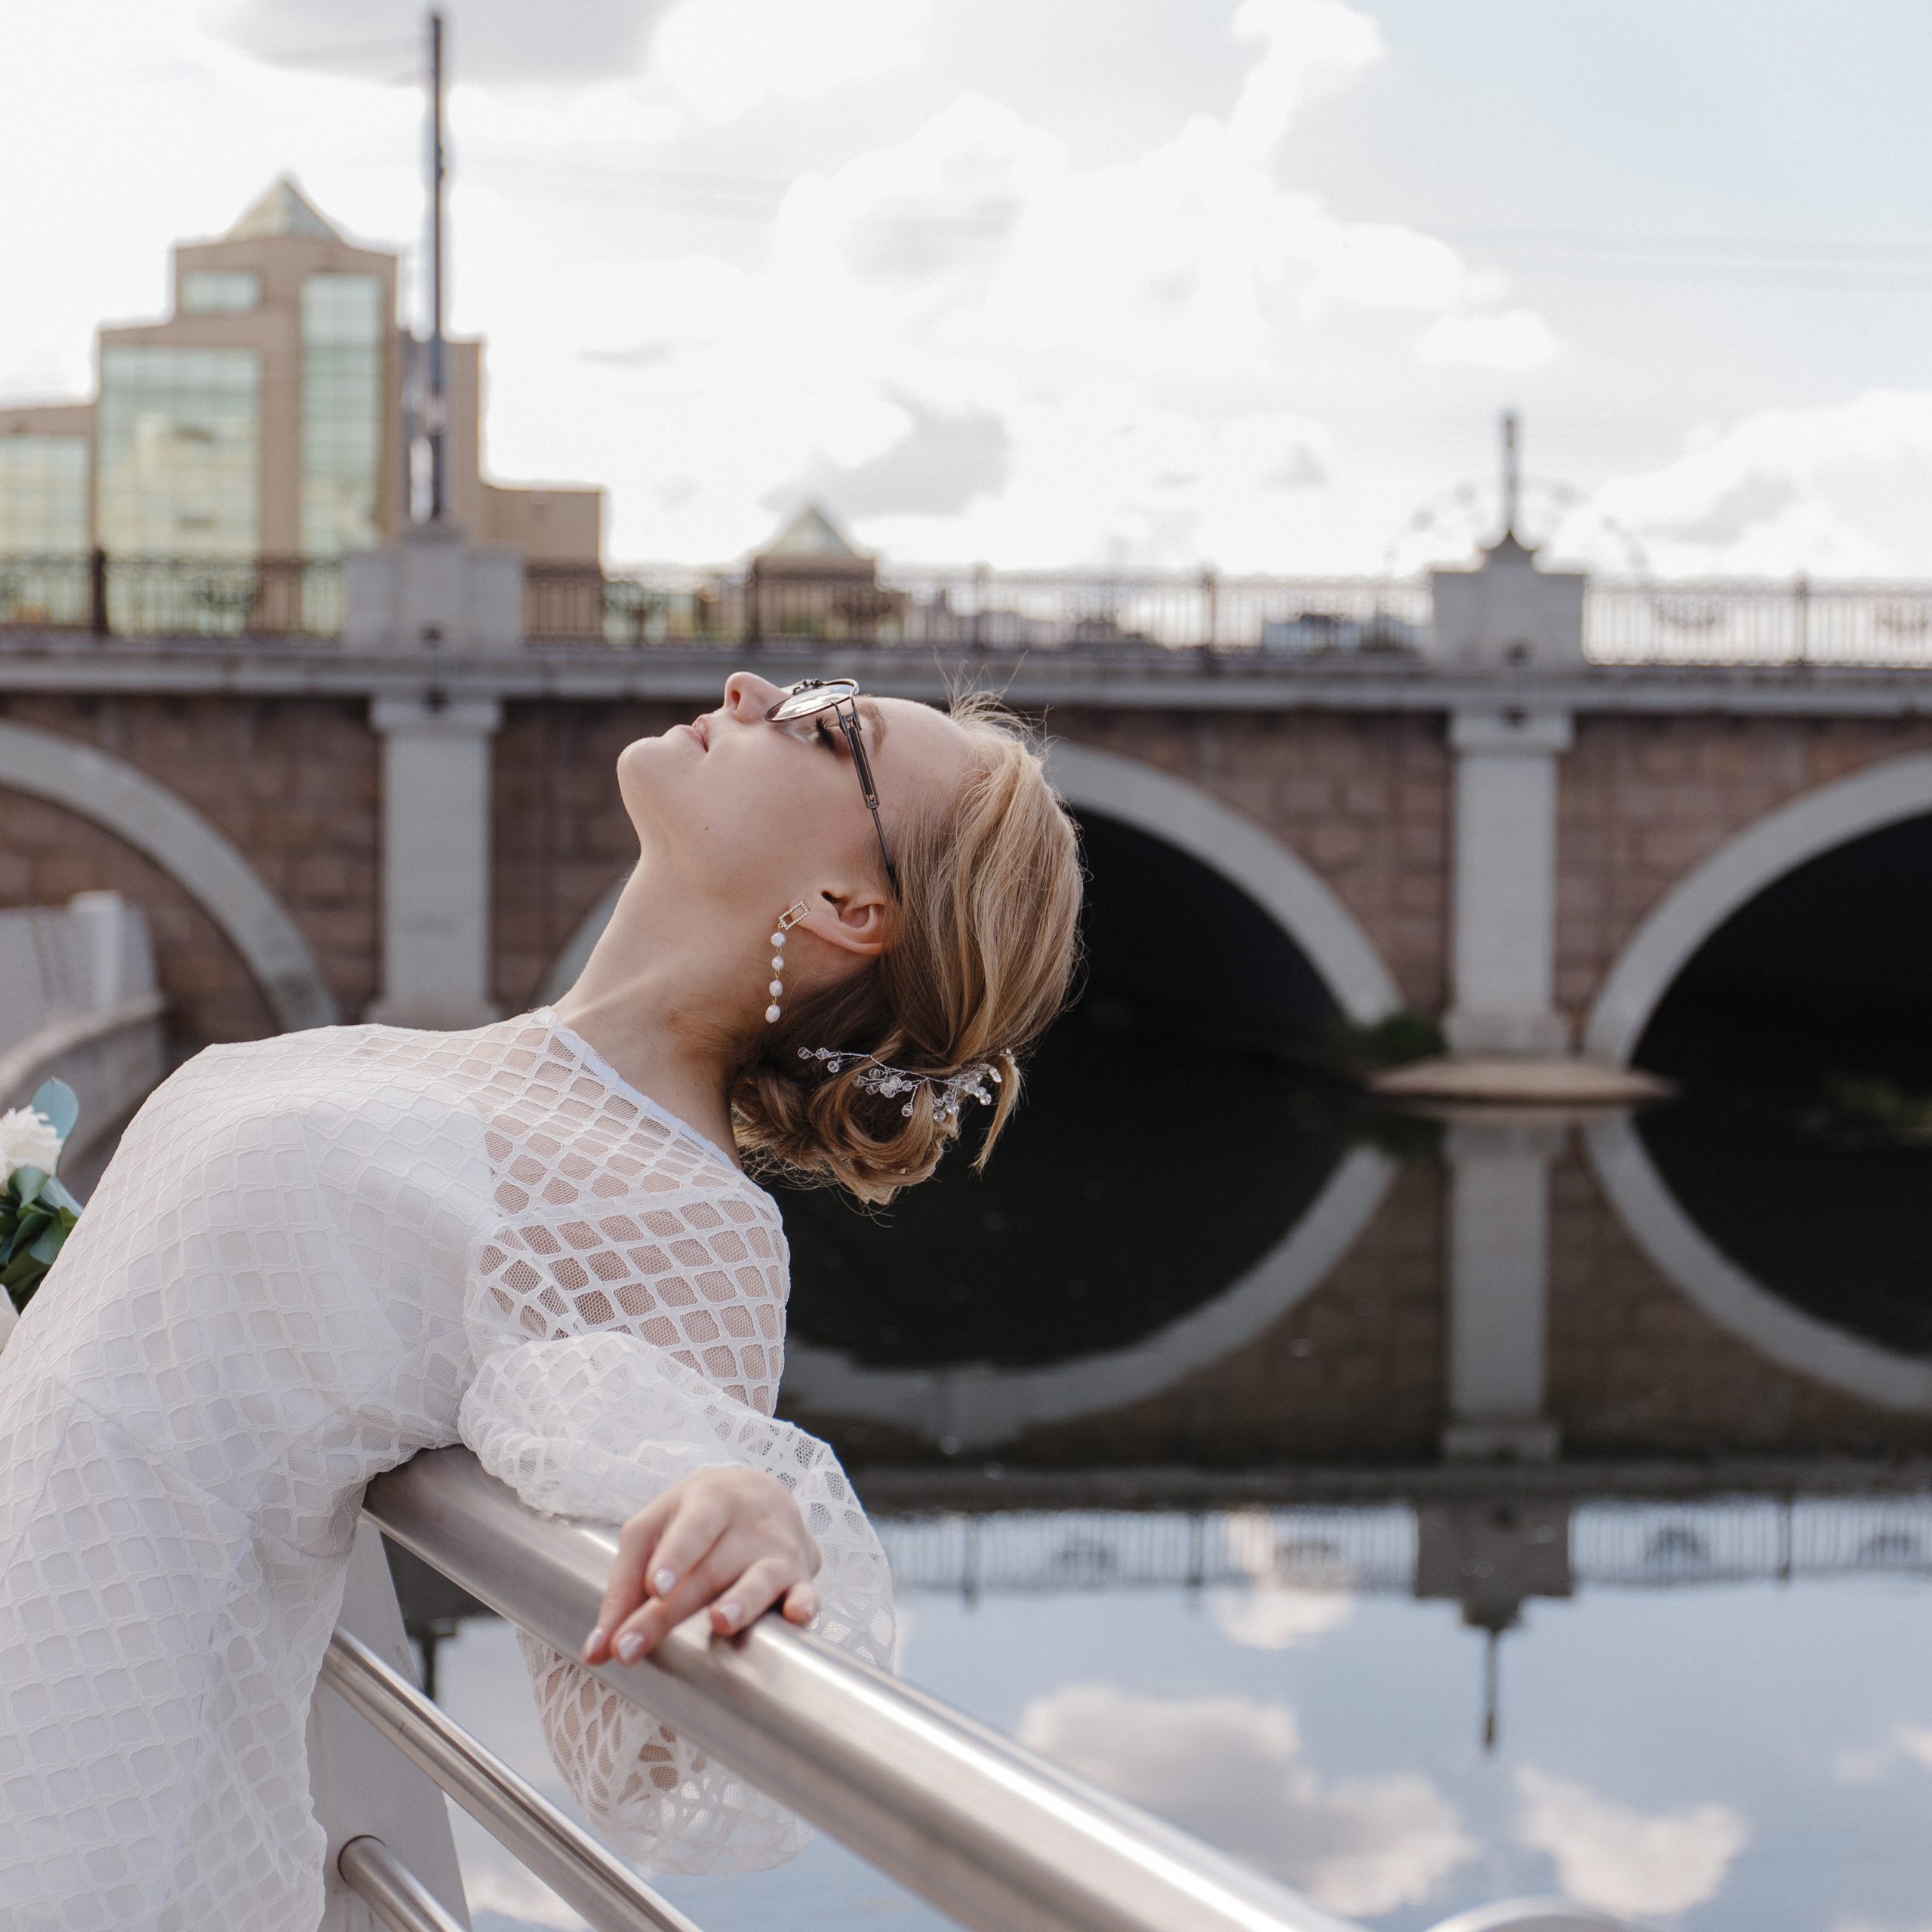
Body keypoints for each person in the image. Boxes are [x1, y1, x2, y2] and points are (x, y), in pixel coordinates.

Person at [0, 672, 1083, 1931]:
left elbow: (638, 1749)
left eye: (832, 724)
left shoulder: (682, 1209)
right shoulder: (449, 1062)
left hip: (74, 1800)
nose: (755, 688)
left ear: (849, 906)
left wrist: (741, 1505)